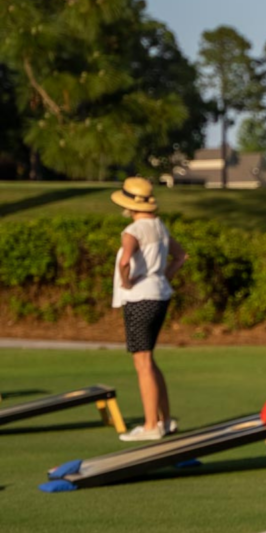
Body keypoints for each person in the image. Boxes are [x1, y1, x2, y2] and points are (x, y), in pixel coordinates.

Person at [111, 177, 187, 441]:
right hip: (159, 295)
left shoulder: (132, 231)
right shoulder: (159, 226)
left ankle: (151, 425)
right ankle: (164, 421)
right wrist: (162, 275)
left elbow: (124, 261)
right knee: (149, 360)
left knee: (142, 362)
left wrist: (126, 281)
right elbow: (181, 256)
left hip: (140, 298)